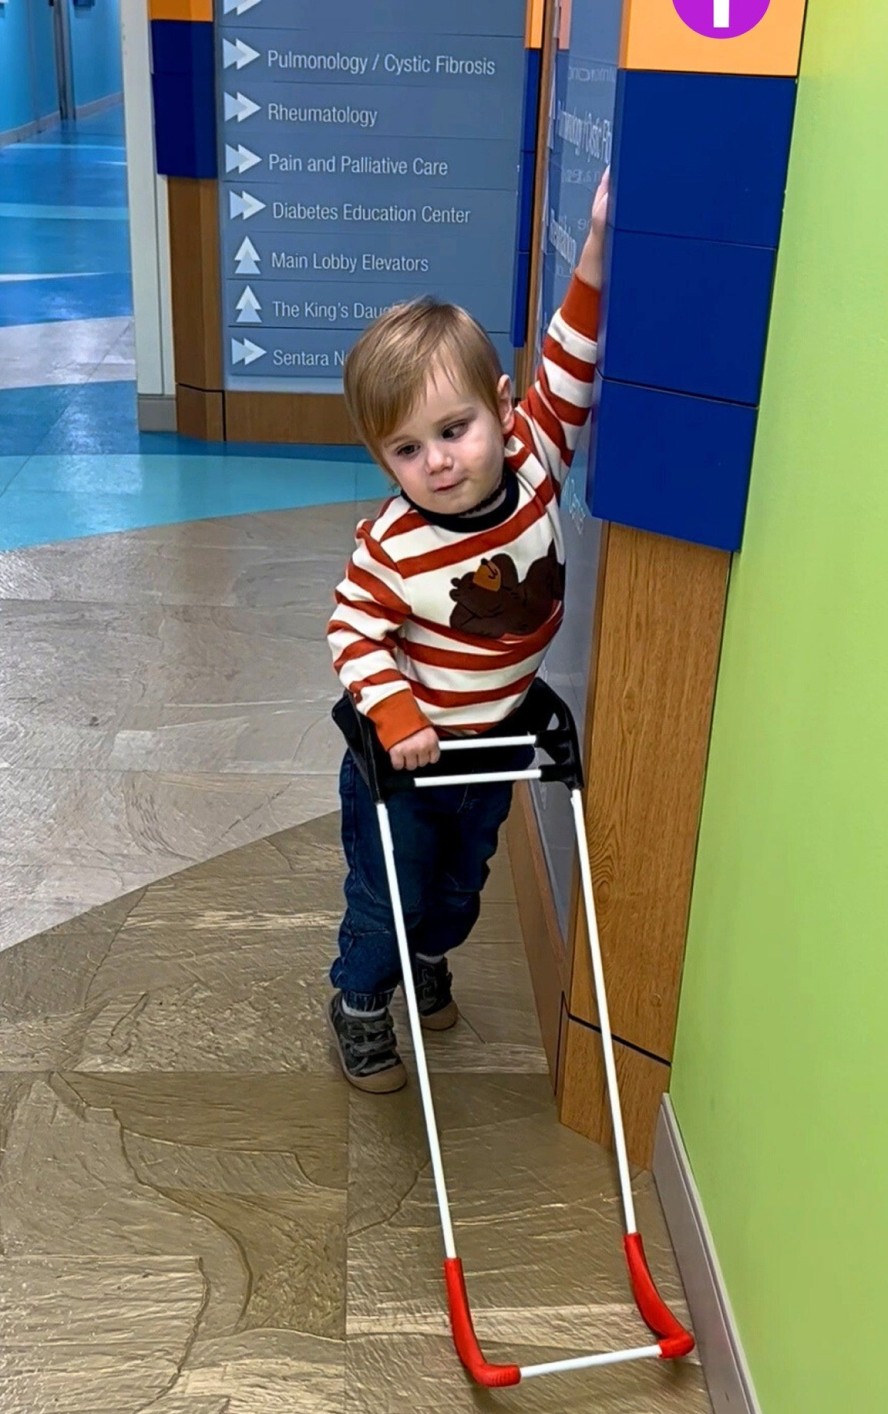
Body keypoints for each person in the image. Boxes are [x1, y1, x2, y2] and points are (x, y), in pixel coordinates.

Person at [325, 170, 610, 1092]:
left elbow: (570, 357)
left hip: (495, 745)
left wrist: (599, 245)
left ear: (497, 404)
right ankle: (363, 999)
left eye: (456, 430)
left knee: (455, 895)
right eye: (407, 449)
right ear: (382, 458)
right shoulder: (392, 544)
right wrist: (399, 716)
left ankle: (430, 954)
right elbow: (352, 630)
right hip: (406, 759)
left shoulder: (533, 457)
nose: (439, 462)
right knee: (388, 901)